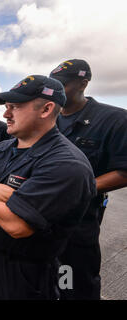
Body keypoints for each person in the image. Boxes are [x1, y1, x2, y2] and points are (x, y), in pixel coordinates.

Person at [0, 75, 96, 300]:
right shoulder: (2, 147)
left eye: (15, 107)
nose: (5, 114)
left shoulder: (66, 164)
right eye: (7, 107)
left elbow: (16, 224)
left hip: (20, 273)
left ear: (46, 109)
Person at [49, 59, 127, 300]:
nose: (55, 90)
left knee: (75, 281)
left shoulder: (113, 119)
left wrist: (79, 188)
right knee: (50, 276)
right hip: (43, 214)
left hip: (79, 219)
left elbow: (124, 171)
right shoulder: (48, 118)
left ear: (83, 83)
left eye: (62, 84)